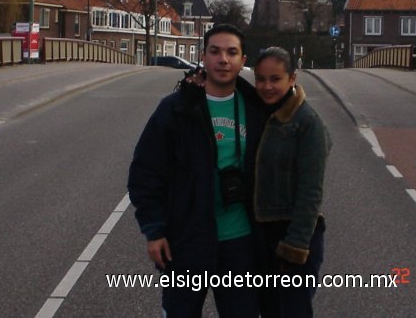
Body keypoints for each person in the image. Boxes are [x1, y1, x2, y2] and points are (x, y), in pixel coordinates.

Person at [127, 24, 263, 317]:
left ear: (243, 60)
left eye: (231, 52)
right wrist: (154, 231)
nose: (223, 60)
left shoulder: (257, 109)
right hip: (186, 239)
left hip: (240, 241)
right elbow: (145, 173)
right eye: (214, 51)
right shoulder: (176, 110)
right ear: (203, 56)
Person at [252, 46, 331, 318]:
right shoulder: (258, 112)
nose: (266, 86)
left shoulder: (308, 124)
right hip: (262, 235)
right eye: (260, 79)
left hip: (295, 237)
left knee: (293, 311)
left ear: (292, 78)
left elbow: (311, 193)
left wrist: (295, 247)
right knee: (269, 309)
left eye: (275, 79)